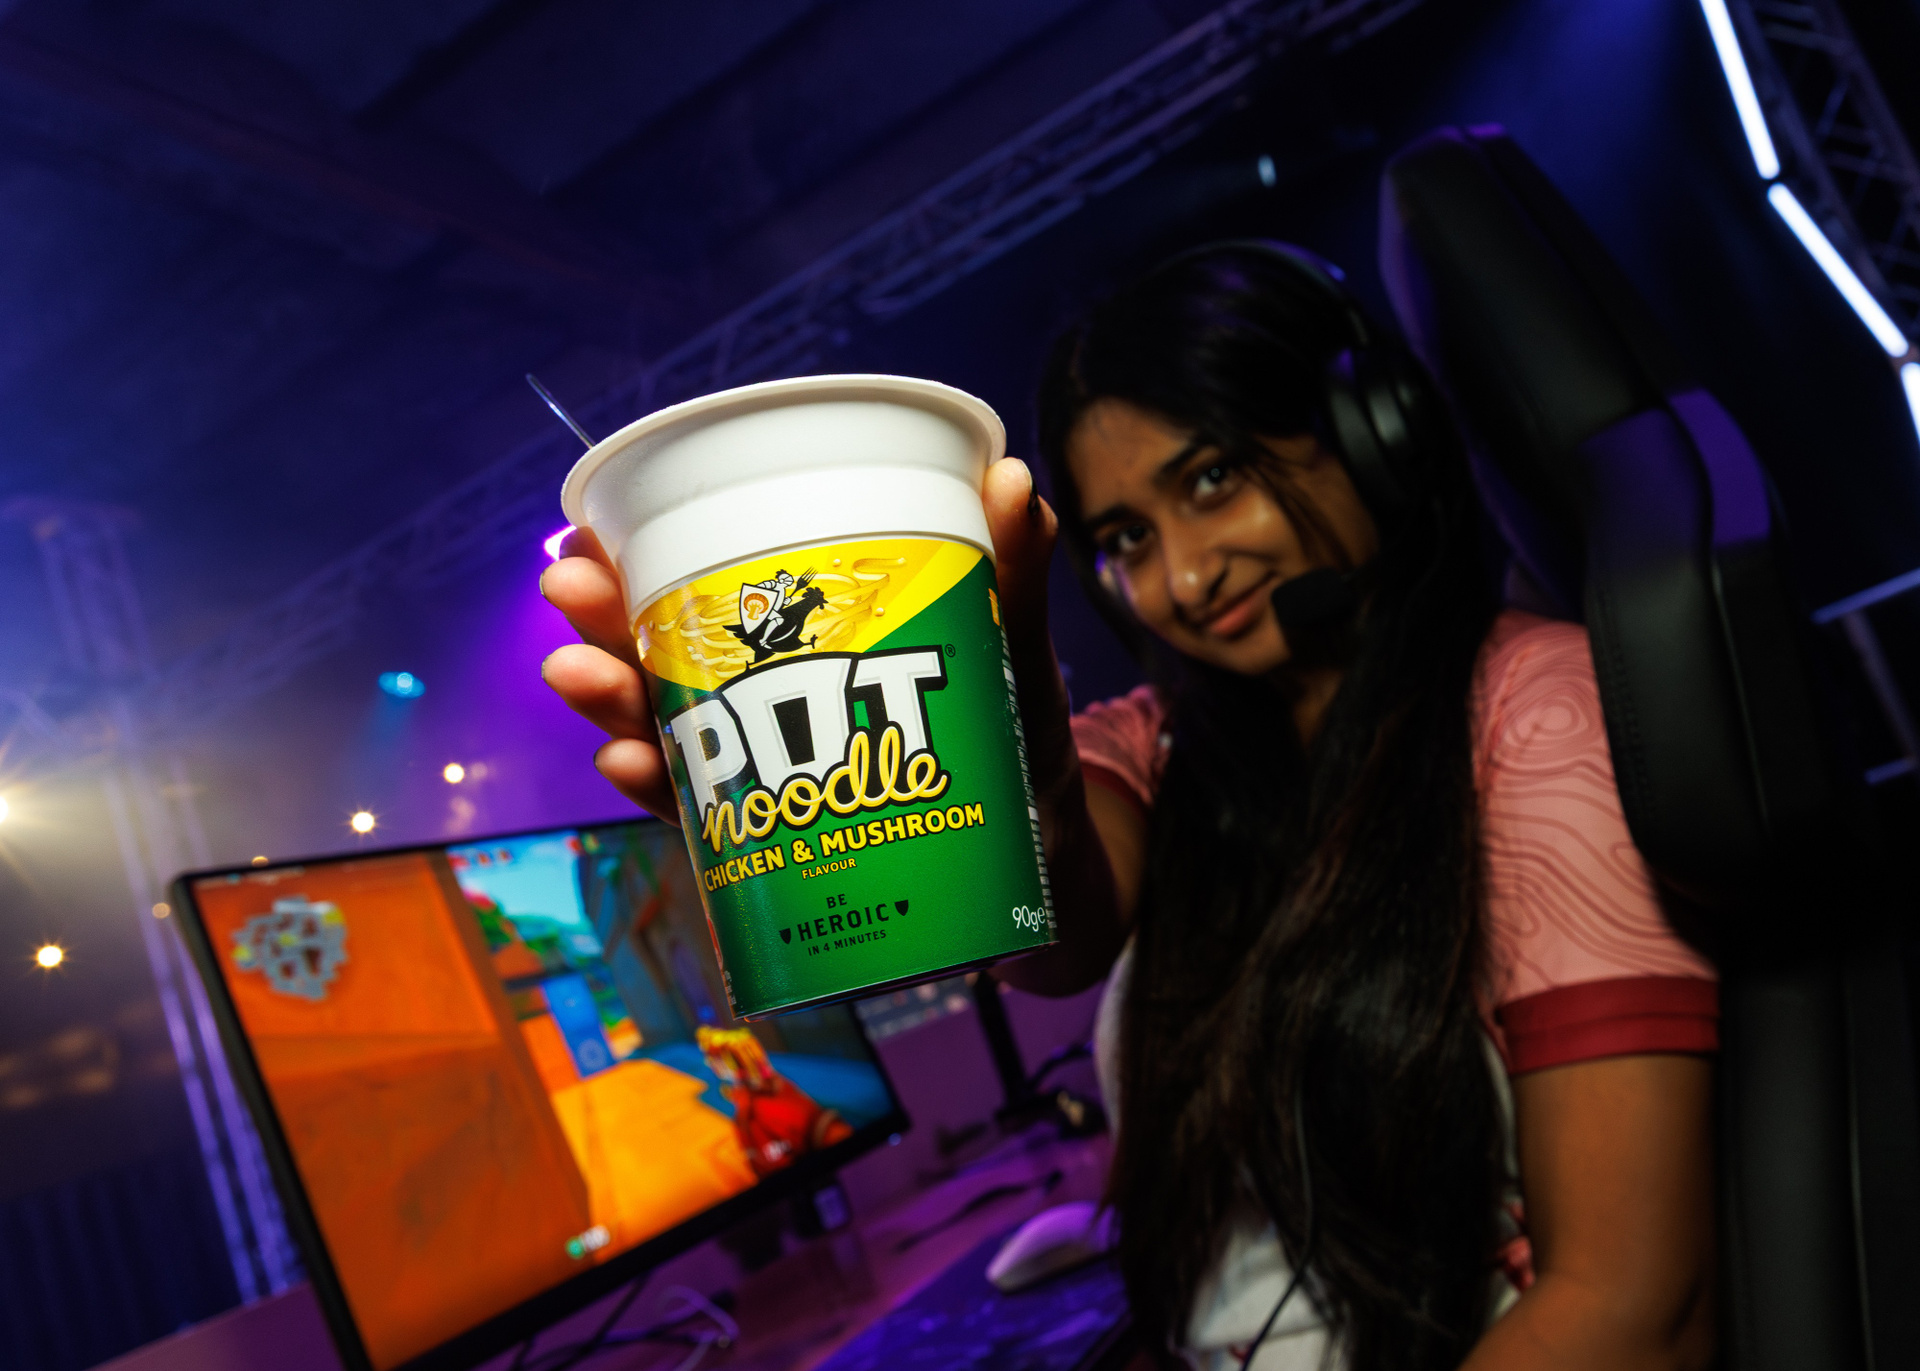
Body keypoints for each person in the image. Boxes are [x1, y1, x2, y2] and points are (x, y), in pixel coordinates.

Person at [539, 243, 1717, 1371]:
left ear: (1372, 428)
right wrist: (992, 774)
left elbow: (1634, 1312)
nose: (1187, 580)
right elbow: (1054, 933)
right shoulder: (1155, 747)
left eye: (1214, 480)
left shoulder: (1533, 714)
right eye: (1127, 539)